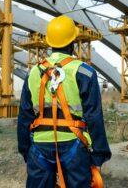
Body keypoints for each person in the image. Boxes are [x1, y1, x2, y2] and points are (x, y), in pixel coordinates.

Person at [17, 15, 111, 188]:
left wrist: (25, 150)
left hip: (39, 146)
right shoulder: (85, 72)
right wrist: (99, 154)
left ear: (50, 42)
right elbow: (94, 117)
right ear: (72, 42)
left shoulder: (33, 73)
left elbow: (24, 116)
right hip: (74, 144)